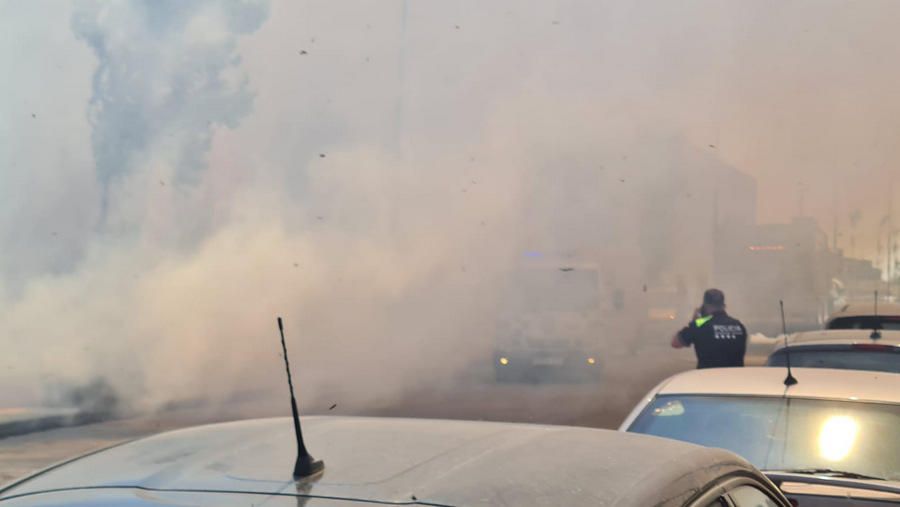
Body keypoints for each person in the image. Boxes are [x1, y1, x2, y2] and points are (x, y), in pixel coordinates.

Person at [670, 288, 747, 368]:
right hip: (734, 377)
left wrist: (694, 321)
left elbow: (675, 343)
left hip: (707, 378)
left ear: (704, 306)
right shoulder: (738, 325)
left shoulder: (699, 324)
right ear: (724, 306)